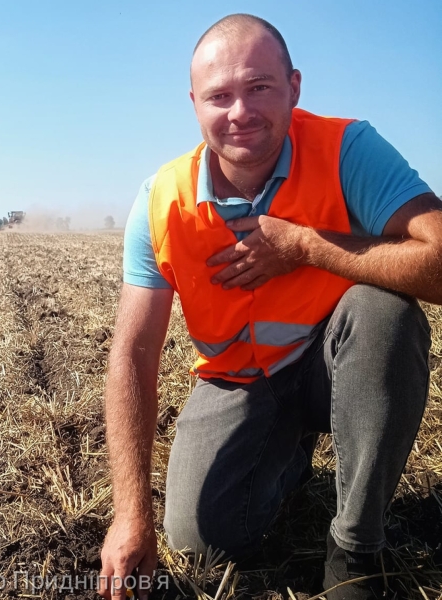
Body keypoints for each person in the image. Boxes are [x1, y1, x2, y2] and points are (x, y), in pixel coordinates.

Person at [98, 13, 441, 600]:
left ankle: (356, 550)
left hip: (335, 365)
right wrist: (131, 513)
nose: (240, 112)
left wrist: (307, 246)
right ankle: (292, 451)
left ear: (294, 87)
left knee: (386, 314)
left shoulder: (346, 149)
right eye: (219, 96)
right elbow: (132, 353)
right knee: (202, 539)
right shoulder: (161, 201)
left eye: (259, 87)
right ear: (194, 103)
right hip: (239, 383)